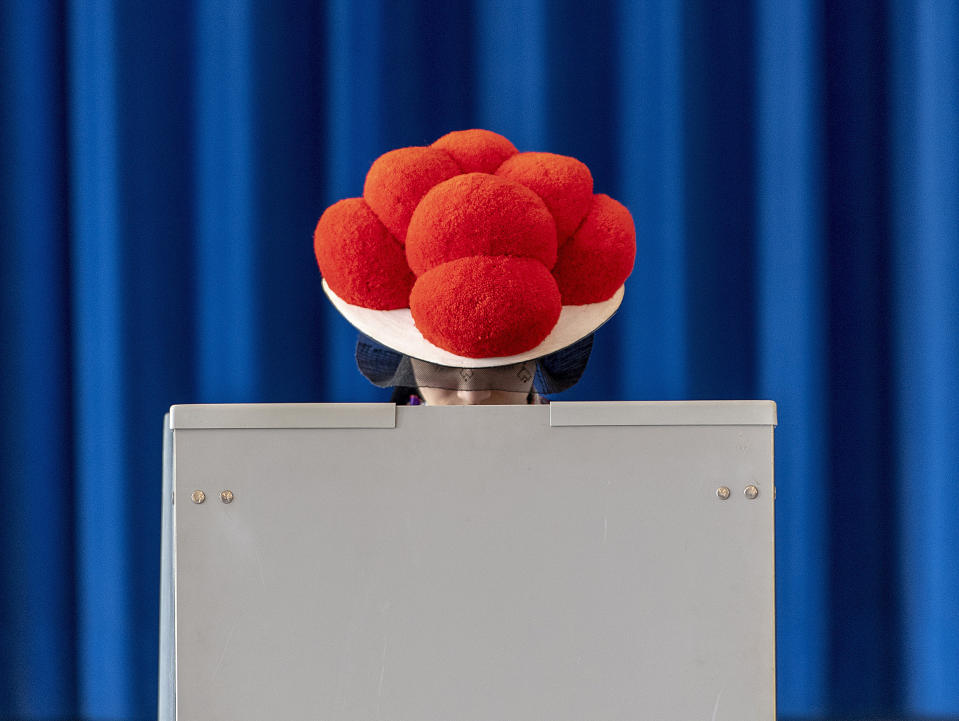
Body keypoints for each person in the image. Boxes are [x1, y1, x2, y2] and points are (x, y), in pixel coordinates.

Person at [313, 129, 635, 405]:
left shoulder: (596, 465)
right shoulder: (354, 467)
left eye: (500, 368)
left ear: (540, 362)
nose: (471, 396)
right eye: (439, 367)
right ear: (407, 363)